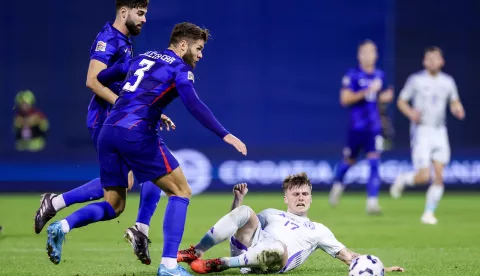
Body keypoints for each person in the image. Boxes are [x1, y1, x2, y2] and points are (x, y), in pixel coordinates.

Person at [45, 22, 247, 276]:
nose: (200, 55)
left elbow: (103, 78)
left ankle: (62, 226)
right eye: (198, 48)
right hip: (137, 133)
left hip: (109, 130)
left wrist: (133, 100)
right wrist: (224, 134)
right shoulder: (179, 69)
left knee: (114, 204)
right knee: (181, 191)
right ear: (183, 45)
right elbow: (194, 105)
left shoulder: (142, 57)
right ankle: (169, 265)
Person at [33, 0, 164, 265]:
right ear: (123, 11)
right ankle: (141, 230)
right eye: (140, 13)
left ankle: (56, 205)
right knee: (155, 167)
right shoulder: (109, 39)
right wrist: (125, 106)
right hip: (106, 120)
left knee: (118, 198)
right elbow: (92, 80)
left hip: (118, 119)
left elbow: (123, 85)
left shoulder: (124, 41)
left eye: (146, 14)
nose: (144, 19)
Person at [177, 174, 404, 274]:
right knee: (246, 211)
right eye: (295, 194)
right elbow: (236, 225)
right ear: (286, 198)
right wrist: (238, 201)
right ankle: (194, 252)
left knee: (276, 248)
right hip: (248, 249)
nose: (301, 197)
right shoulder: (272, 213)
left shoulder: (319, 230)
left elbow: (349, 257)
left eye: (305, 193)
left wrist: (380, 268)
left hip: (274, 261)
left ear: (311, 198)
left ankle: (220, 264)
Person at [390, 46, 465, 225]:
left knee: (439, 175)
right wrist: (410, 113)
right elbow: (401, 101)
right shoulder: (416, 80)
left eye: (435, 58)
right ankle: (404, 179)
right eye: (429, 58)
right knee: (424, 176)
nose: (432, 61)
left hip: (440, 131)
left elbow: (454, 101)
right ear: (424, 61)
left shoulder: (448, 81)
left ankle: (428, 213)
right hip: (422, 131)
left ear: (442, 61)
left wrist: (458, 109)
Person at [329, 40, 394, 214]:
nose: (368, 56)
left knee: (374, 162)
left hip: (374, 127)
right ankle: (337, 185)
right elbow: (344, 99)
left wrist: (385, 96)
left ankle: (372, 202)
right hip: (356, 126)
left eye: (372, 52)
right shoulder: (353, 75)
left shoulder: (380, 75)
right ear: (359, 55)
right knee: (349, 161)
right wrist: (367, 91)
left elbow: (382, 96)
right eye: (365, 52)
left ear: (376, 55)